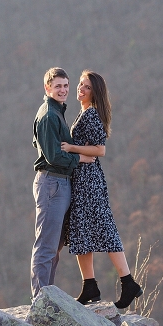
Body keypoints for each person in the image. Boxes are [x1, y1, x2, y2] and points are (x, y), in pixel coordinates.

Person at [61, 70, 143, 310]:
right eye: (80, 84)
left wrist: (72, 148)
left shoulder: (91, 115)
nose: (81, 88)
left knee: (104, 229)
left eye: (86, 86)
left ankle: (128, 282)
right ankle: (89, 285)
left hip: (89, 181)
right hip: (81, 179)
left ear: (95, 92)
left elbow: (100, 150)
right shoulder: (84, 112)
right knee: (80, 230)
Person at [31, 67, 95, 299]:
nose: (63, 90)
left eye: (66, 85)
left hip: (59, 184)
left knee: (54, 247)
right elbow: (53, 156)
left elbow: (38, 143)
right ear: (47, 88)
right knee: (46, 247)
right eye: (58, 86)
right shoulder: (49, 115)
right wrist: (80, 158)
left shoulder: (56, 112)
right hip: (52, 184)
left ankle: (47, 296)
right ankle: (40, 300)